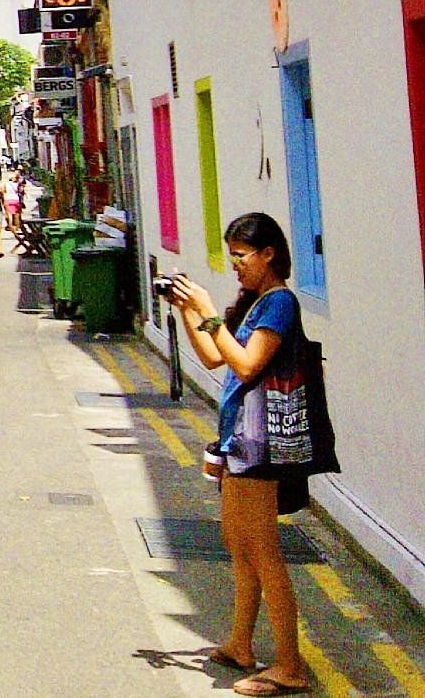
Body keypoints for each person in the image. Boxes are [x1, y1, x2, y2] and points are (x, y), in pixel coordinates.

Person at [168, 213, 314, 697]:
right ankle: (240, 643)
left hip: (260, 444)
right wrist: (189, 313)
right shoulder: (254, 304)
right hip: (237, 440)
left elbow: (248, 364)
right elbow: (215, 357)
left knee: (264, 549)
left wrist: (208, 312)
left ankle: (290, 665)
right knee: (239, 544)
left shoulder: (280, 305)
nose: (235, 267)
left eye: (241, 257)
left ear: (268, 254)